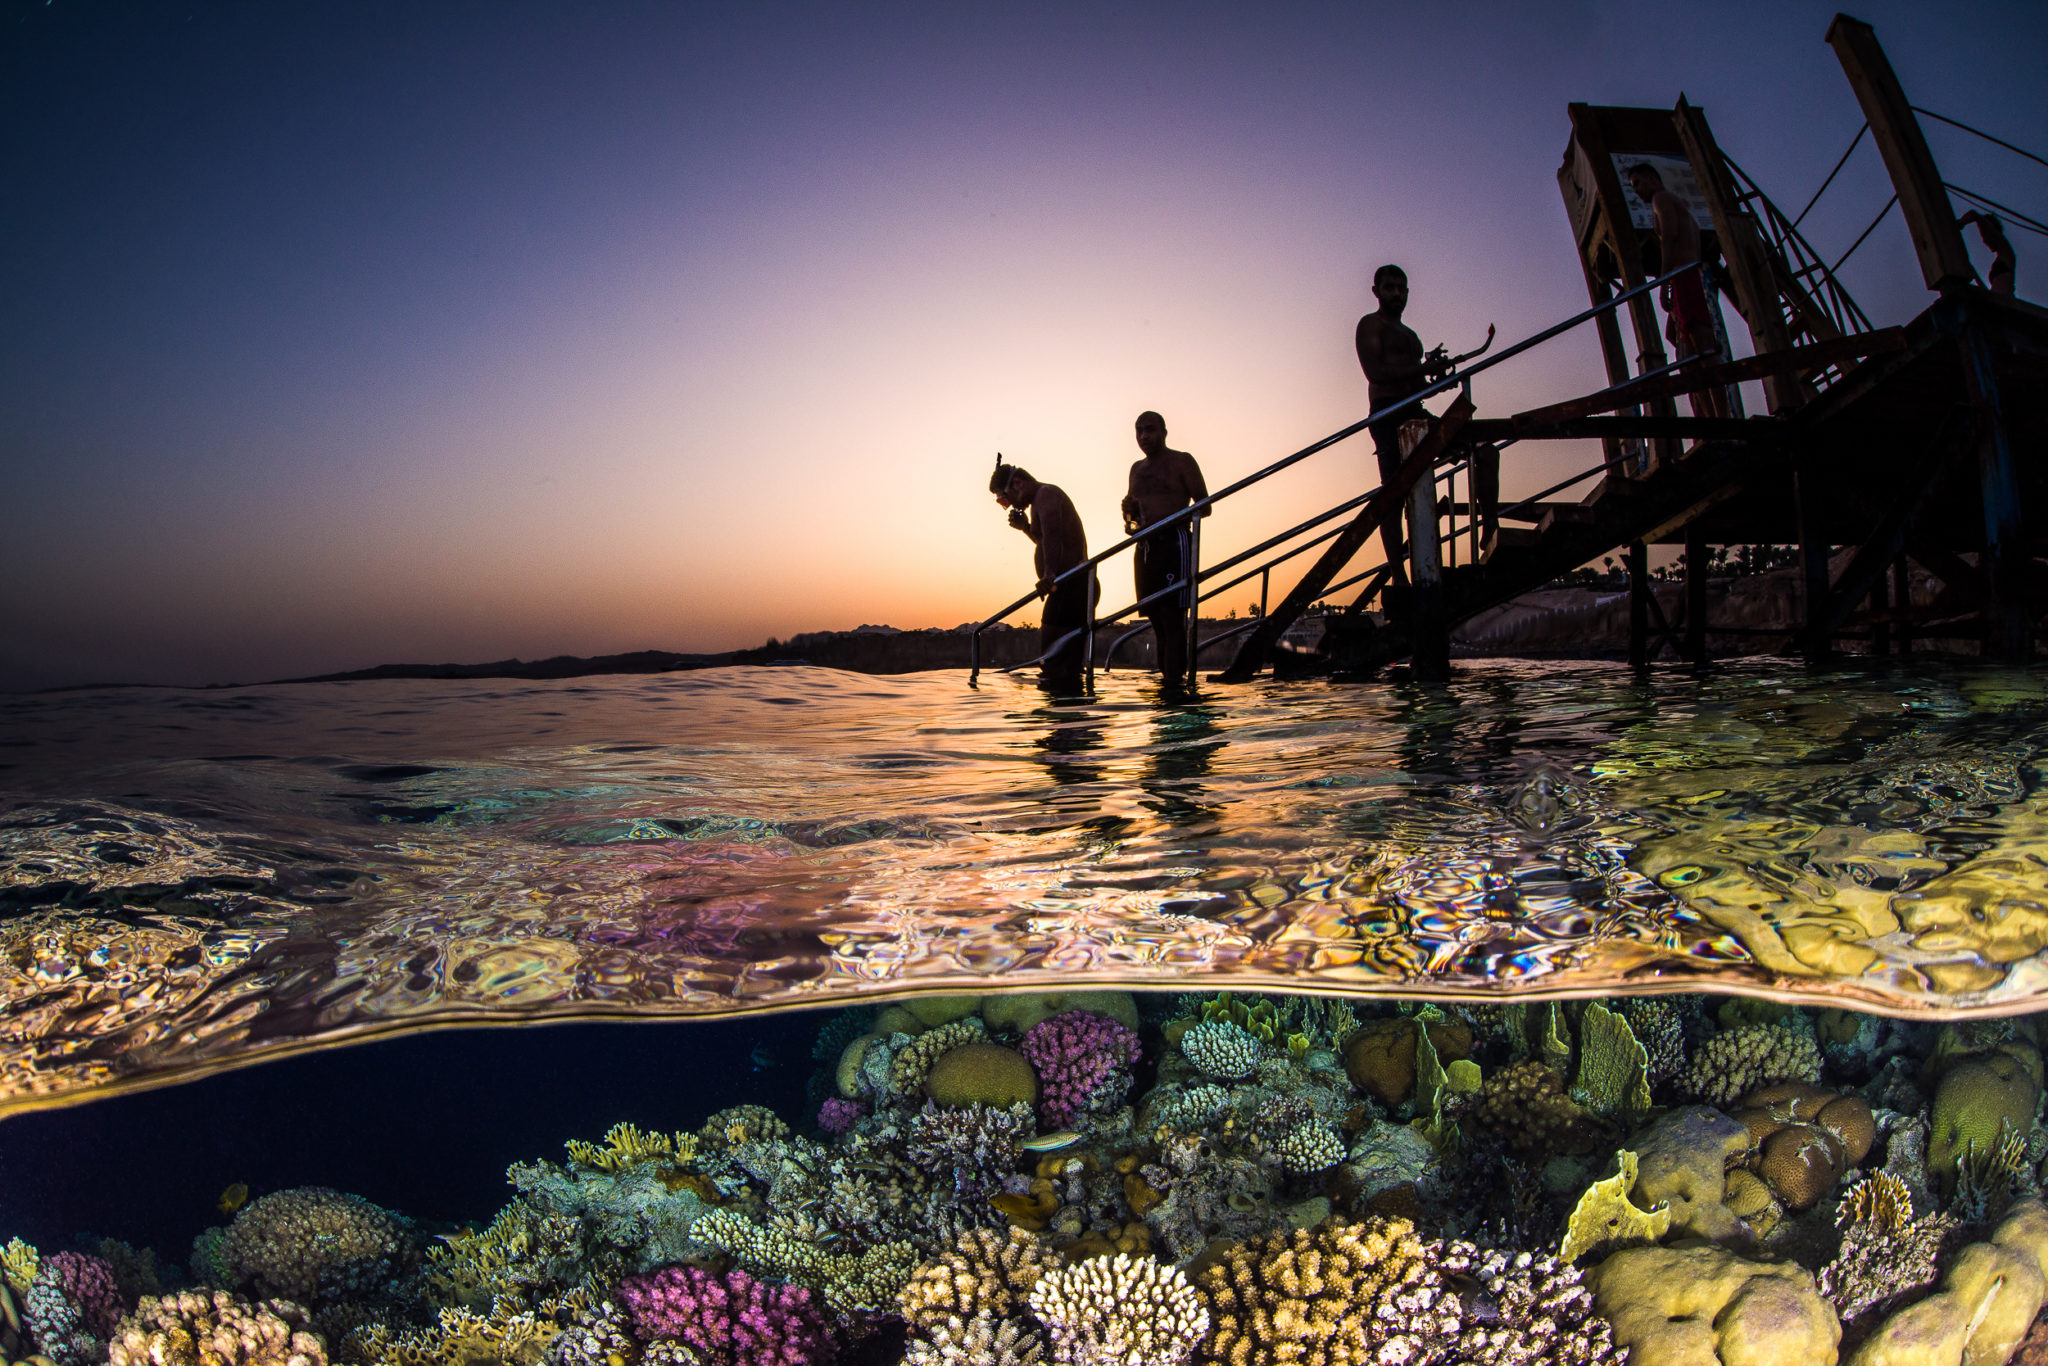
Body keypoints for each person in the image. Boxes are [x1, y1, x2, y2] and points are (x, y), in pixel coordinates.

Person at [1355, 264, 1449, 595]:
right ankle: (1399, 574)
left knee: (1481, 449)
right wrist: (1424, 368)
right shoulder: (1370, 324)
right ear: (1377, 291)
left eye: (1402, 288)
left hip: (1415, 410)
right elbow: (1376, 372)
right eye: (1390, 287)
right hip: (1387, 413)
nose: (1396, 293)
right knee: (1393, 495)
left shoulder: (1411, 336)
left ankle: (1490, 526)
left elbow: (1418, 383)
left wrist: (1439, 378)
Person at [1626, 163, 1729, 424]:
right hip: (1684, 277)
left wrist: (1664, 283)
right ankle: (1708, 419)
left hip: (1684, 277)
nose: (1635, 190)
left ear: (1652, 177)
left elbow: (1669, 237)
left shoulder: (1662, 198)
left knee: (1703, 350)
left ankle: (1721, 418)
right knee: (1684, 349)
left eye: (1637, 182)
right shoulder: (1674, 203)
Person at [1121, 411, 1209, 685]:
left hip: (1175, 543)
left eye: (1150, 430)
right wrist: (1129, 515)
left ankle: (1176, 686)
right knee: (1157, 622)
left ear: (1164, 432)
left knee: (1173, 621)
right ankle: (1167, 685)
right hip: (1145, 548)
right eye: (1139, 431)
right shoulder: (1136, 469)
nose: (1144, 436)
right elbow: (1133, 518)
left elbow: (1204, 505)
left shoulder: (1181, 461)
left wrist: (1169, 519)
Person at [990, 458, 1092, 692]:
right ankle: (1068, 722)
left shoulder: (1046, 495)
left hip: (1070, 586)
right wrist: (1026, 527)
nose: (1009, 506)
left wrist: (1049, 574)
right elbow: (1046, 542)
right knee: (1061, 663)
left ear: (1017, 483)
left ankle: (1064, 720)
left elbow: (1054, 536)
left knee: (1054, 661)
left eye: (1005, 500)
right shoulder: (1039, 501)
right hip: (1066, 587)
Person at [1958, 210, 2017, 297]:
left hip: (2007, 305)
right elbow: (1989, 295)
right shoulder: (2001, 257)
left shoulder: (2006, 252)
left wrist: (1960, 223)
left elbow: (1974, 214)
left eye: (1984, 236)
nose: (1984, 241)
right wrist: (1974, 274)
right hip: (1997, 305)